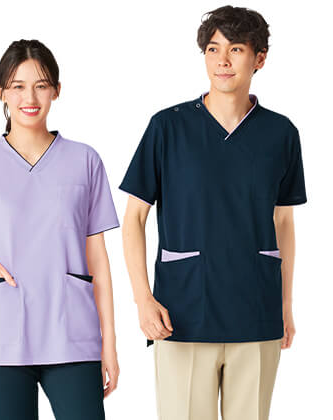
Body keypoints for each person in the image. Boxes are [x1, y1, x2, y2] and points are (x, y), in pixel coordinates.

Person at [119, 6, 307, 420]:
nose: (222, 60)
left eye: (235, 49)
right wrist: (143, 299)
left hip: (256, 310)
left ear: (259, 58)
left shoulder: (281, 133)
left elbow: (283, 222)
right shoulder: (167, 127)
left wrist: (285, 305)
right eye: (213, 49)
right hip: (182, 312)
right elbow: (134, 218)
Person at [0, 39, 120, 420]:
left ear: (56, 90)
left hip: (72, 335)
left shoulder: (85, 160)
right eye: (17, 86)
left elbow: (98, 260)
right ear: (1, 92)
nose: (29, 97)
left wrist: (110, 344)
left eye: (41, 85)